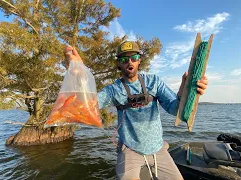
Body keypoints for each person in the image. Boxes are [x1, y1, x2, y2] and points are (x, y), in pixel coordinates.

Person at [64, 41, 209, 180]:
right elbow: (88, 105)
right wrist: (78, 73)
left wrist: (186, 89)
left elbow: (174, 109)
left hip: (158, 149)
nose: (130, 62)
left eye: (134, 57)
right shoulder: (114, 90)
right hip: (130, 150)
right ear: (119, 63)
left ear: (139, 60)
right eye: (124, 59)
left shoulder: (154, 82)